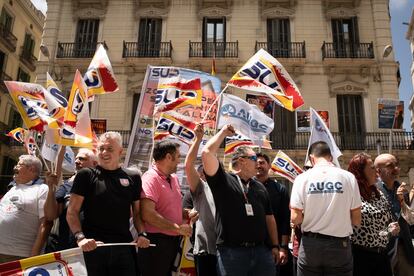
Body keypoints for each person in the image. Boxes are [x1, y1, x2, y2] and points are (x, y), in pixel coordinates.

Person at [67, 132, 150, 276]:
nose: (104, 152)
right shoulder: (85, 175)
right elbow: (72, 211)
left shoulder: (134, 177)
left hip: (123, 247)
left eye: (110, 149)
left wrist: (142, 234)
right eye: (101, 149)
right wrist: (80, 238)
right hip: (92, 248)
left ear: (120, 152)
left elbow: (137, 213)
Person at [202, 124, 279, 276]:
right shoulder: (224, 181)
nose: (258, 162)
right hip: (232, 254)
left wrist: (275, 245)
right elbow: (207, 153)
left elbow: (269, 218)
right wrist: (223, 132)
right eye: (254, 158)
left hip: (261, 252)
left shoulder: (259, 187)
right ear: (242, 161)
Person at [290, 141, 362, 276]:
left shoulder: (301, 178)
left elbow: (295, 218)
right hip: (339, 246)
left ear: (311, 158)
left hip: (311, 246)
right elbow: (357, 220)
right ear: (331, 157)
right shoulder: (349, 177)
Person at [138, 140, 194, 276]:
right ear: (169, 157)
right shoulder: (150, 178)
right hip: (156, 242)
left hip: (171, 242)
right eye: (178, 156)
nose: (179, 161)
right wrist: (177, 228)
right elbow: (147, 214)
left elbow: (169, 208)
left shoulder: (173, 178)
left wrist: (186, 214)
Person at [348, 153, 399, 276]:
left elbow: (387, 223)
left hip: (382, 255)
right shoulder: (351, 194)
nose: (376, 171)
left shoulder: (378, 193)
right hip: (360, 256)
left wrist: (391, 228)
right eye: (371, 168)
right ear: (360, 172)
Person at [44, 148, 98, 251]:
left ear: (95, 163)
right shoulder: (66, 186)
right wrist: (50, 188)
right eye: (76, 159)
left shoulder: (102, 185)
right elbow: (51, 216)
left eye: (82, 159)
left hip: (93, 246)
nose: (77, 162)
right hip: (66, 247)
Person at [0, 155, 50, 262]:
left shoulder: (42, 189)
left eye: (19, 164)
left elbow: (45, 223)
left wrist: (34, 254)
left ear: (31, 169)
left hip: (18, 255)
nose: (15, 167)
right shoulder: (13, 188)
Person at [184, 123, 217, 276]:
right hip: (206, 251)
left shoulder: (230, 186)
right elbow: (189, 165)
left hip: (230, 251)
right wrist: (198, 139)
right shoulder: (201, 188)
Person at [375, 153, 414, 276]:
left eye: (397, 165)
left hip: (405, 247)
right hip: (384, 248)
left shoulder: (402, 190)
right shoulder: (373, 191)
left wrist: (401, 199)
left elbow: (409, 219)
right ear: (378, 171)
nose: (396, 168)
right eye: (390, 166)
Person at [255, 152, 291, 275]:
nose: (258, 165)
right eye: (256, 162)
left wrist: (283, 247)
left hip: (272, 249)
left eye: (262, 163)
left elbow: (285, 220)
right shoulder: (244, 187)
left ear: (269, 166)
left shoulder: (280, 189)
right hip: (249, 249)